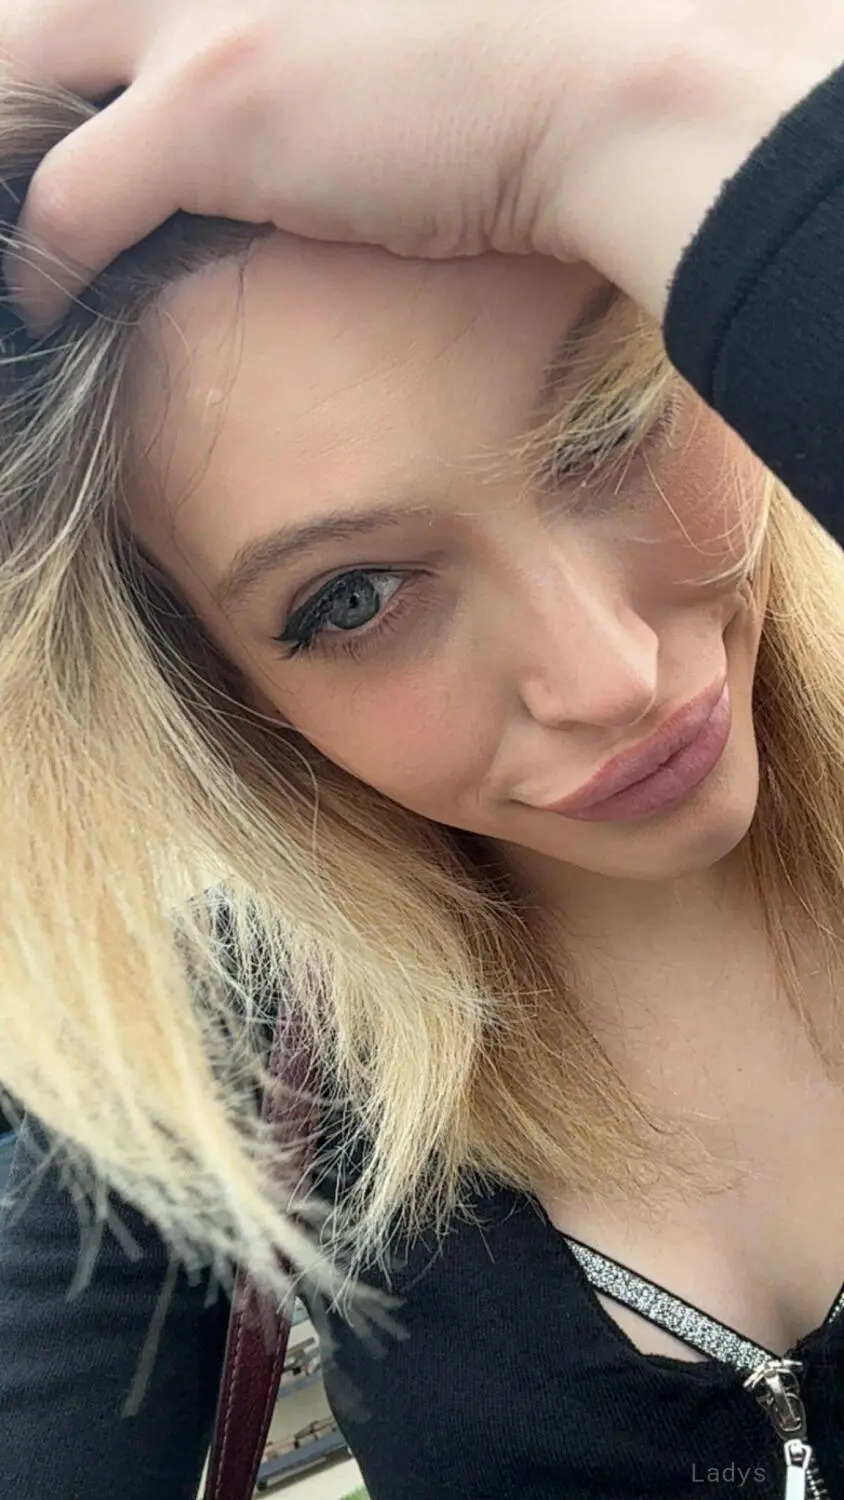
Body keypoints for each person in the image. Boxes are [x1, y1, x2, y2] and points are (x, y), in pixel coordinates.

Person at [0, 3, 844, 1497]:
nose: (607, 676)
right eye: (354, 598)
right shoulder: (220, 1048)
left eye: (610, 423)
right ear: (226, 687)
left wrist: (625, 113)